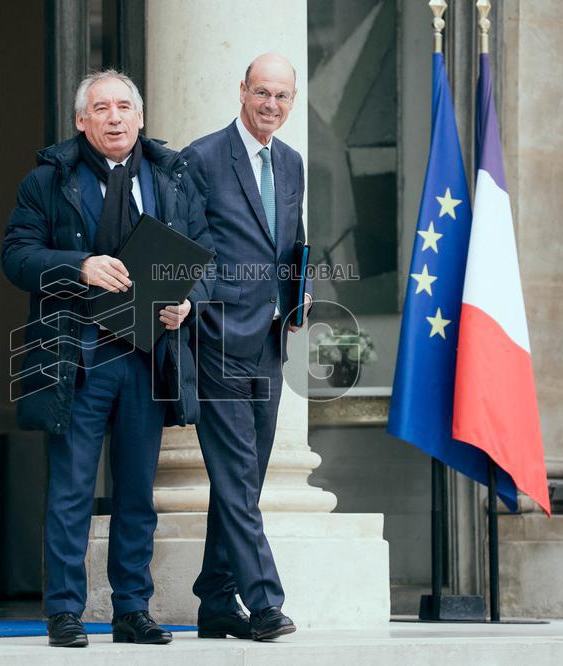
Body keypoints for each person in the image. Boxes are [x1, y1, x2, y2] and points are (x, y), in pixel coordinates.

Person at [1, 70, 213, 648]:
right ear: (81, 121)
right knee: (69, 488)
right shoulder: (48, 180)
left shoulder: (172, 177)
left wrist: (186, 302)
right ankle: (65, 612)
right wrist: (78, 266)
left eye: (124, 107)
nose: (114, 117)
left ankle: (132, 610)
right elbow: (16, 255)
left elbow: (205, 257)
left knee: (137, 492)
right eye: (101, 108)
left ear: (140, 117)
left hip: (146, 358)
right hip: (77, 355)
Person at [181, 52, 311, 642]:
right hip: (216, 338)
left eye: (282, 96)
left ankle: (214, 598)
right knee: (235, 472)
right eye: (263, 93)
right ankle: (263, 603)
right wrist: (202, 307)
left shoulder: (291, 162)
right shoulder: (202, 158)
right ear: (242, 91)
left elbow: (292, 241)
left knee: (247, 477)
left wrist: (300, 294)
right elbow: (191, 246)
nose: (272, 106)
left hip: (268, 340)